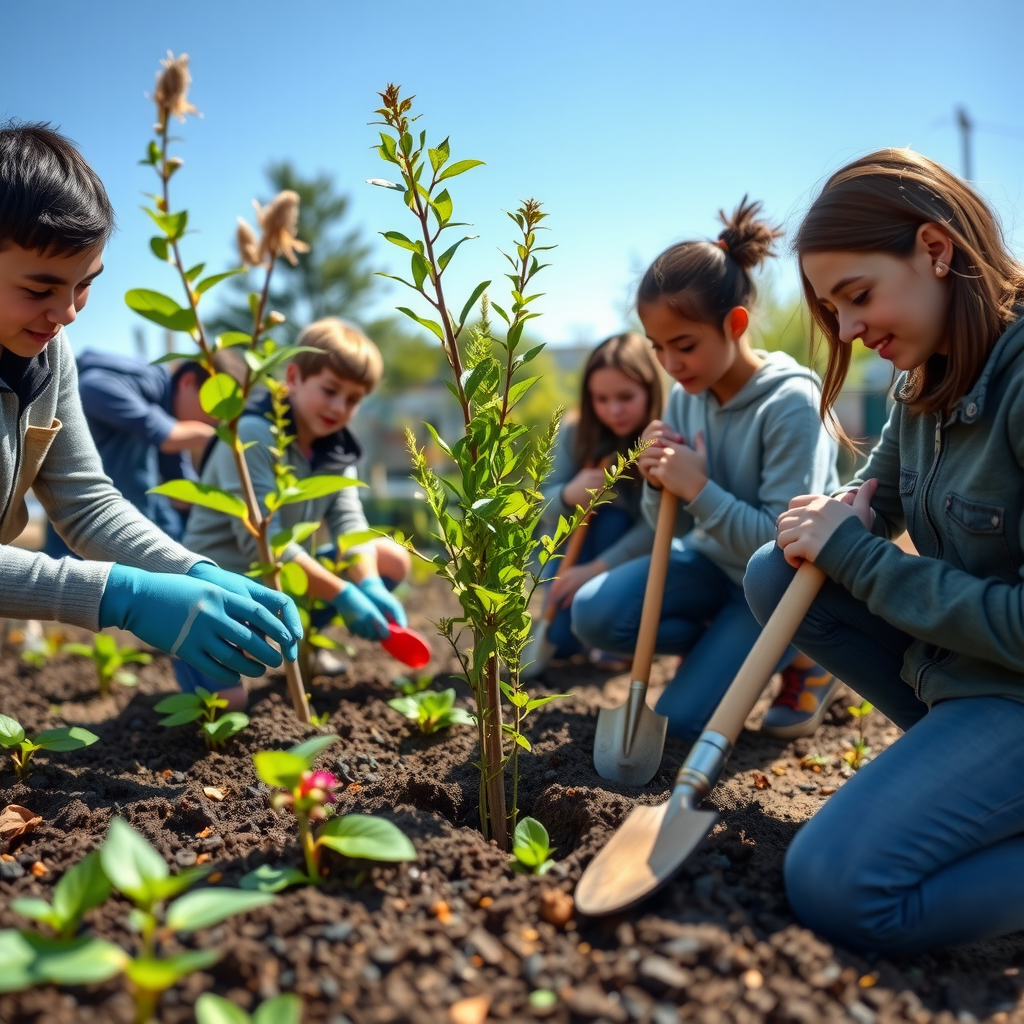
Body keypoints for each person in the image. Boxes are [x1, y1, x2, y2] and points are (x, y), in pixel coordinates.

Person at [743, 149, 1024, 954]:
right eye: (833, 310)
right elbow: (874, 500)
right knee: (779, 572)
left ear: (937, 250)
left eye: (858, 297)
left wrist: (859, 556)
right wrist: (831, 522)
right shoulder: (923, 378)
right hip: (979, 678)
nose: (848, 331)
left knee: (841, 885)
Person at [0, 121, 301, 699]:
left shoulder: (46, 349)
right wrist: (120, 596)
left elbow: (85, 504)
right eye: (40, 290)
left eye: (84, 285)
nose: (66, 313)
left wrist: (190, 572)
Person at [572, 199, 839, 742]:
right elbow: (677, 525)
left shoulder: (790, 404)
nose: (669, 365)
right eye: (658, 348)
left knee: (679, 727)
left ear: (734, 324)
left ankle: (811, 654)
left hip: (779, 588)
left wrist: (697, 486)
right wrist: (656, 481)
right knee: (592, 614)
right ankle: (723, 649)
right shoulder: (685, 396)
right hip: (714, 568)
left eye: (685, 345)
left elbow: (783, 548)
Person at [183, 317, 410, 688]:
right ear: (293, 378)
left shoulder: (337, 451)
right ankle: (189, 647)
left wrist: (368, 585)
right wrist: (343, 593)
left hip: (284, 582)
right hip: (223, 587)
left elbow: (350, 526)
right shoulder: (252, 434)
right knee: (225, 710)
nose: (339, 407)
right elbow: (262, 545)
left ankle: (305, 649)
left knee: (390, 557)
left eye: (353, 399)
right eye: (330, 389)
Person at [538, 332, 663, 662]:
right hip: (570, 551)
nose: (614, 410)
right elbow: (541, 507)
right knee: (561, 643)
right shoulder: (576, 433)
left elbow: (660, 528)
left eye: (626, 396)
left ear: (650, 390)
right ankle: (586, 629)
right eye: (601, 399)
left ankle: (613, 629)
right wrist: (568, 494)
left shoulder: (662, 440)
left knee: (613, 516)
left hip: (626, 558)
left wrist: (594, 570)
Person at [42, 352, 235, 559]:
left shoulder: (168, 408)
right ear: (188, 382)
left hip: (124, 529)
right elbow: (90, 387)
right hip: (84, 526)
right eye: (213, 414)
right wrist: (167, 431)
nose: (213, 423)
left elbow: (179, 482)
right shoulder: (145, 380)